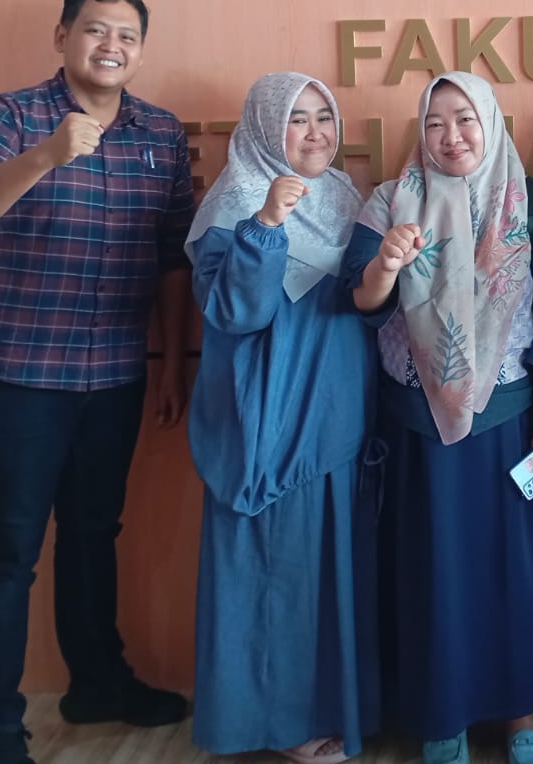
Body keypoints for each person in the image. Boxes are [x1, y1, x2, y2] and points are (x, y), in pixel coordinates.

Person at [0, 0, 193, 764]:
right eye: (95, 30)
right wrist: (47, 156)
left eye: (126, 35)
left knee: (93, 534)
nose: (111, 46)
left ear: (140, 50)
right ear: (62, 37)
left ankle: (98, 684)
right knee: (10, 547)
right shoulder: (13, 116)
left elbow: (172, 258)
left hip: (115, 372)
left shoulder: (160, 131)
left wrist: (171, 364)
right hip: (21, 373)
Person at [342, 71, 533, 764]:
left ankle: (520, 711)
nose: (452, 136)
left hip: (509, 424)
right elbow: (358, 301)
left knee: (513, 570)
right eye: (436, 123)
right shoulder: (390, 201)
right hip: (415, 429)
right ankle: (438, 715)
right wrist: (386, 266)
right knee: (430, 572)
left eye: (465, 119)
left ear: (491, 122)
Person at [185, 72, 381, 763]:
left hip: (339, 412)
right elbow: (236, 312)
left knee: (329, 570)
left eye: (324, 116)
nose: (315, 132)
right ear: (267, 128)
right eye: (297, 118)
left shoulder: (345, 197)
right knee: (276, 572)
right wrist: (267, 224)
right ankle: (279, 724)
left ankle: (332, 708)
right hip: (270, 416)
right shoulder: (236, 201)